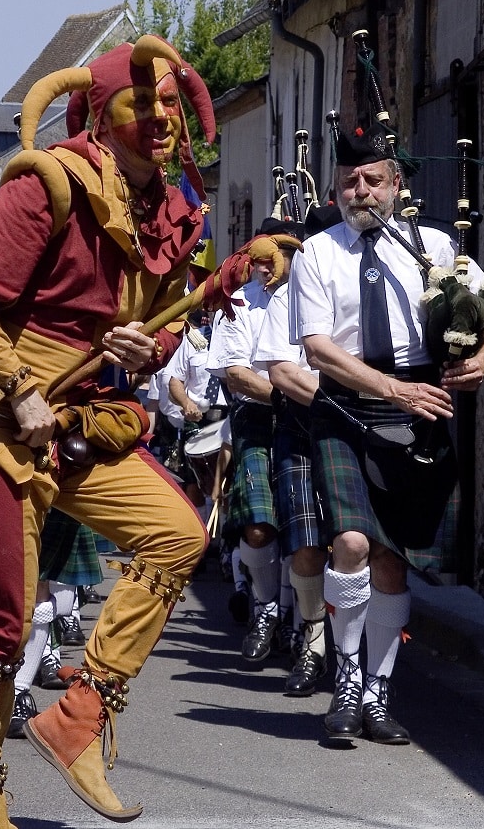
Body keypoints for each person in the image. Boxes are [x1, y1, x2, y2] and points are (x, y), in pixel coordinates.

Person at [0, 35, 214, 828]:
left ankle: (77, 716)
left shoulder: (176, 208)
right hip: (4, 414)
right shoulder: (50, 181)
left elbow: (154, 334)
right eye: (139, 102)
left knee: (178, 533)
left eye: (168, 103)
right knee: (3, 625)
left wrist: (143, 346)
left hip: (87, 416)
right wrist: (16, 387)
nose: (159, 117)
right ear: (102, 109)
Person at [289, 128, 484, 745]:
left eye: (372, 180)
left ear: (396, 184)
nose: (359, 191)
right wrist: (390, 391)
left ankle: (379, 689)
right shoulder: (316, 253)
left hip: (421, 410)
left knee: (392, 561)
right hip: (348, 406)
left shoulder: (434, 245)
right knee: (353, 544)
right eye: (348, 182)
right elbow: (317, 348)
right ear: (336, 188)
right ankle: (348, 675)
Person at [208, 218, 326, 685]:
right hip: (260, 414)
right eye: (260, 256)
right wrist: (282, 396)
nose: (267, 266)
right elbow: (235, 373)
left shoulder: (313, 298)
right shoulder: (239, 302)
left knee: (306, 532)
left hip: (308, 416)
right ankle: (266, 605)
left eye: (278, 254)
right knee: (259, 529)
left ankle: (306, 629)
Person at [250, 221, 331, 698]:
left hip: (365, 421)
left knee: (360, 548)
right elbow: (280, 371)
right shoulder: (284, 299)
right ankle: (314, 641)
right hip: (301, 424)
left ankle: (354, 660)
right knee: (305, 545)